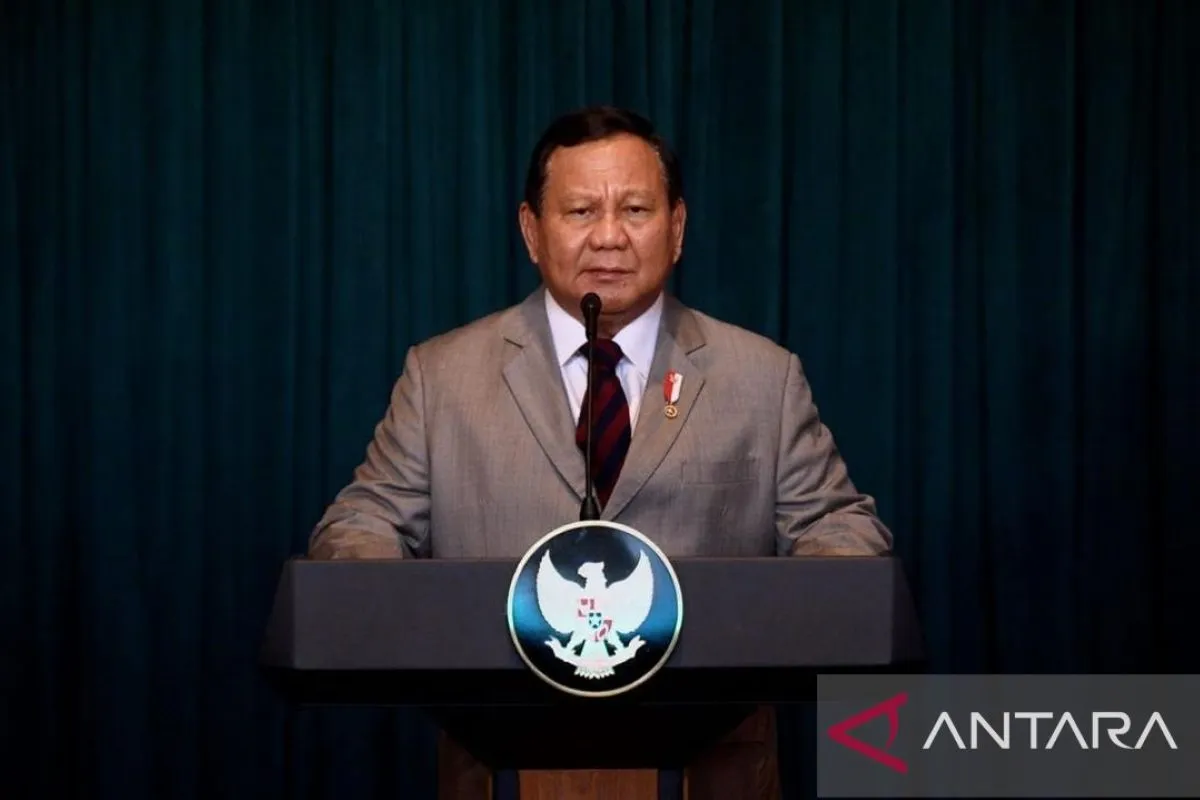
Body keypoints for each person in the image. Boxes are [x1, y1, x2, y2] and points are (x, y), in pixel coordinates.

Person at [309, 105, 892, 799]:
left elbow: (841, 529)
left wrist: (779, 604)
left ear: (677, 228)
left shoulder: (761, 377)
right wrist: (398, 600)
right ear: (532, 231)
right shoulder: (443, 377)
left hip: (711, 768)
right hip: (502, 765)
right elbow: (362, 525)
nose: (609, 236)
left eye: (635, 210)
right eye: (581, 211)